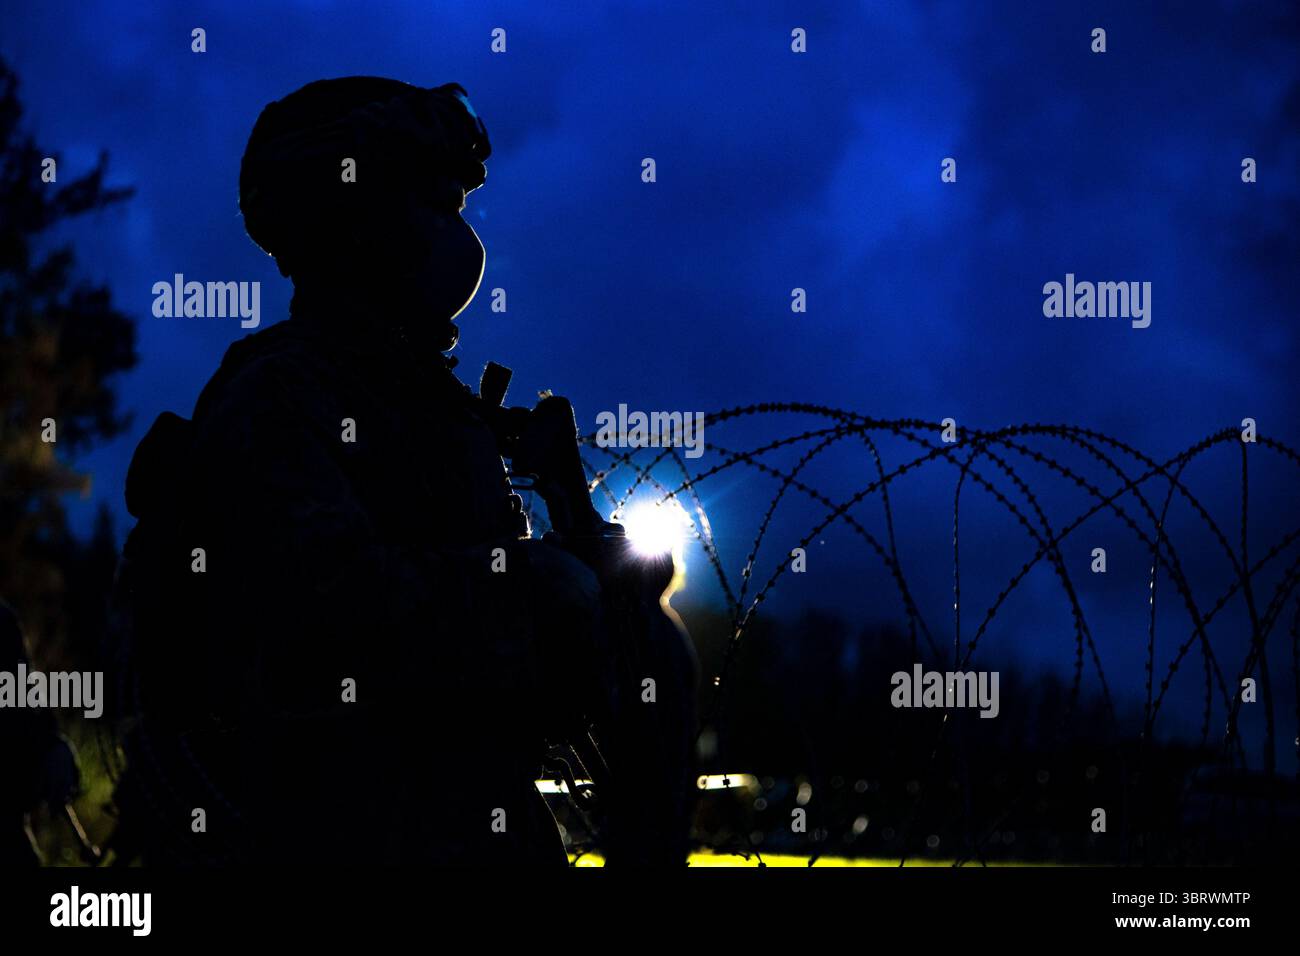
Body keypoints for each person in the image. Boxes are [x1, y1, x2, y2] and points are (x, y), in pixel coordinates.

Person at [111, 76, 696, 866]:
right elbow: (323, 622)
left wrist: (584, 532)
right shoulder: (278, 400)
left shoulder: (421, 401)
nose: (463, 238)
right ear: (358, 221)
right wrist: (539, 586)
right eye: (440, 202)